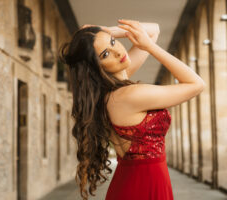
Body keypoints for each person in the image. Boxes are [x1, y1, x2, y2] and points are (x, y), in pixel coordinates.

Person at [59, 19, 205, 200]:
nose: (118, 51)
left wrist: (105, 30)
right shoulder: (129, 95)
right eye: (105, 54)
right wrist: (151, 48)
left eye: (113, 42)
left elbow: (154, 30)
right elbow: (196, 84)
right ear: (97, 68)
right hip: (144, 186)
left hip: (135, 182)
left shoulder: (111, 92)